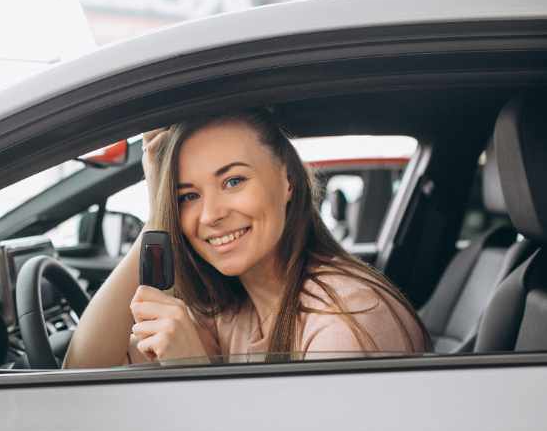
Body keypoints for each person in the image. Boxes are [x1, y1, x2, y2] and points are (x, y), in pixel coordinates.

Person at [63, 109, 430, 369]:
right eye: (187, 196)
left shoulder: (343, 323)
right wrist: (160, 207)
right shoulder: (234, 307)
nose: (210, 215)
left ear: (288, 179)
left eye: (233, 181)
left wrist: (194, 370)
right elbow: (84, 367)